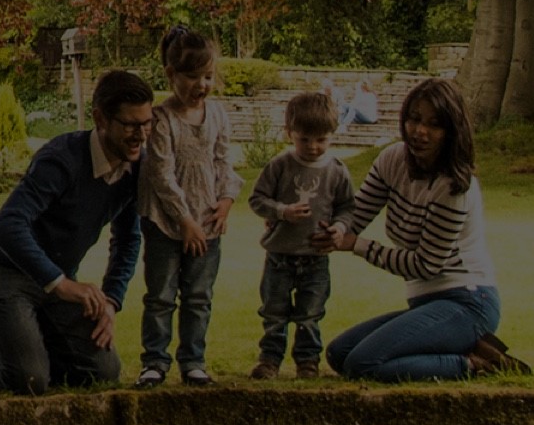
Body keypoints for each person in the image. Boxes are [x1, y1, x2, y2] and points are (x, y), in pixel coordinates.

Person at [0, 69, 154, 395]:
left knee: (102, 371)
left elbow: (128, 239)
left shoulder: (135, 168)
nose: (141, 135)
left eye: (146, 124)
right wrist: (62, 283)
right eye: (130, 125)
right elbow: (7, 226)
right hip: (5, 272)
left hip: (56, 284)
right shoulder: (62, 159)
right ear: (100, 118)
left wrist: (111, 302)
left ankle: (25, 334)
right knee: (29, 379)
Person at [313, 77, 531, 382]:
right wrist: (325, 227)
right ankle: (464, 351)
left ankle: (475, 363)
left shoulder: (455, 186)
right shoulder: (392, 159)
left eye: (434, 124)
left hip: (467, 303)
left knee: (363, 364)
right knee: (340, 353)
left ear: (451, 131)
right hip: (427, 304)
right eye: (414, 119)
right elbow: (355, 214)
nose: (419, 131)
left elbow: (426, 265)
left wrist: (356, 245)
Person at [134, 26, 243, 388]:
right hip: (168, 222)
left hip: (207, 220)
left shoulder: (217, 116)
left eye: (208, 77)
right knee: (162, 295)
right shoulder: (162, 119)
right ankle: (154, 361)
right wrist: (184, 221)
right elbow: (161, 174)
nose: (202, 85)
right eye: (193, 77)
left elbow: (224, 161)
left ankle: (193, 360)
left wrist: (225, 202)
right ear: (171, 75)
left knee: (198, 296)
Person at [248, 91, 355, 380]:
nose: (313, 147)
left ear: (332, 135)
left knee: (310, 314)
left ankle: (307, 362)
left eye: (321, 139)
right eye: (304, 139)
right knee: (274, 311)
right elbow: (257, 200)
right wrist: (282, 211)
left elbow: (347, 207)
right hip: (280, 256)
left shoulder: (337, 171)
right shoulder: (280, 166)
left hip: (316, 258)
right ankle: (269, 360)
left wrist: (340, 228)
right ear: (290, 134)